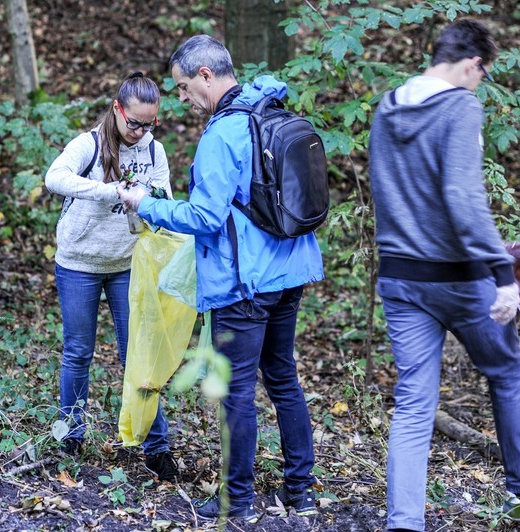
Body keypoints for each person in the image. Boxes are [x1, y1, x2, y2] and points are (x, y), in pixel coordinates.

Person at [118, 35, 324, 522]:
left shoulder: (223, 133)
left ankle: (237, 501)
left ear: (207, 76)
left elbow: (206, 217)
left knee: (235, 392)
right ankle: (301, 491)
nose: (183, 99)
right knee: (283, 380)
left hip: (244, 284)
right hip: (288, 272)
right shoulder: (272, 111)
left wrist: (145, 204)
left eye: (185, 87)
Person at [368, 18, 520, 532]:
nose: (479, 84)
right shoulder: (460, 106)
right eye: (482, 74)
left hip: (400, 279)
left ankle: (404, 523)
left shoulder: (387, 107)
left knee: (414, 402)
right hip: (463, 278)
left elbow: (387, 193)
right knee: (509, 374)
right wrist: (502, 274)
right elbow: (465, 201)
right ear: (471, 64)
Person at [44, 72, 179, 482]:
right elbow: (55, 178)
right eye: (134, 122)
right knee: (78, 352)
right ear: (118, 110)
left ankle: (156, 448)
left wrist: (147, 198)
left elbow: (165, 199)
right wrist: (110, 190)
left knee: (137, 354)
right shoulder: (89, 144)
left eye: (149, 123)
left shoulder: (153, 151)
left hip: (126, 265)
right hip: (79, 264)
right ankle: (71, 436)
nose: (141, 132)